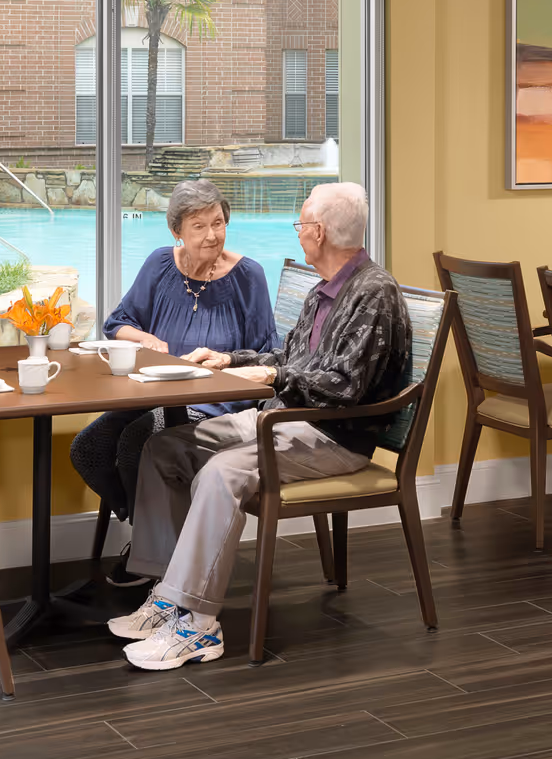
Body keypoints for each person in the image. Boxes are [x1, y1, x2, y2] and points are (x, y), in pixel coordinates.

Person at [107, 181, 411, 670]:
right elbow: (287, 357)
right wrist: (231, 359)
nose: (298, 231)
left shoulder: (373, 294)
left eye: (301, 222)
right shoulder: (323, 290)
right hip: (287, 421)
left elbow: (344, 386)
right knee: (165, 448)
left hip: (334, 436)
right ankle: (169, 597)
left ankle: (199, 626)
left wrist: (270, 374)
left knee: (221, 473)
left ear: (318, 232)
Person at [68, 179, 274, 585]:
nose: (212, 235)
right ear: (176, 231)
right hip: (152, 395)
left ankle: (156, 556)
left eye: (218, 222)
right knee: (88, 449)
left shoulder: (248, 276)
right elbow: (118, 323)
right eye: (199, 226)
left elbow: (267, 352)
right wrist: (146, 339)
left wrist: (225, 362)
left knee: (134, 444)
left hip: (217, 405)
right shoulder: (161, 265)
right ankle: (156, 537)